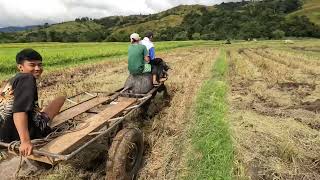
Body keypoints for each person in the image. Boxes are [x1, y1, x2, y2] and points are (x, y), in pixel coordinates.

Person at [0, 48, 65, 156]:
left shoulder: (14, 79)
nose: (37, 68)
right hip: (19, 136)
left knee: (38, 109)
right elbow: (19, 112)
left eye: (40, 65)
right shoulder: (27, 78)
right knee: (61, 98)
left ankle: (38, 115)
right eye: (32, 65)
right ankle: (39, 124)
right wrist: (25, 141)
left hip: (4, 133)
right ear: (20, 67)